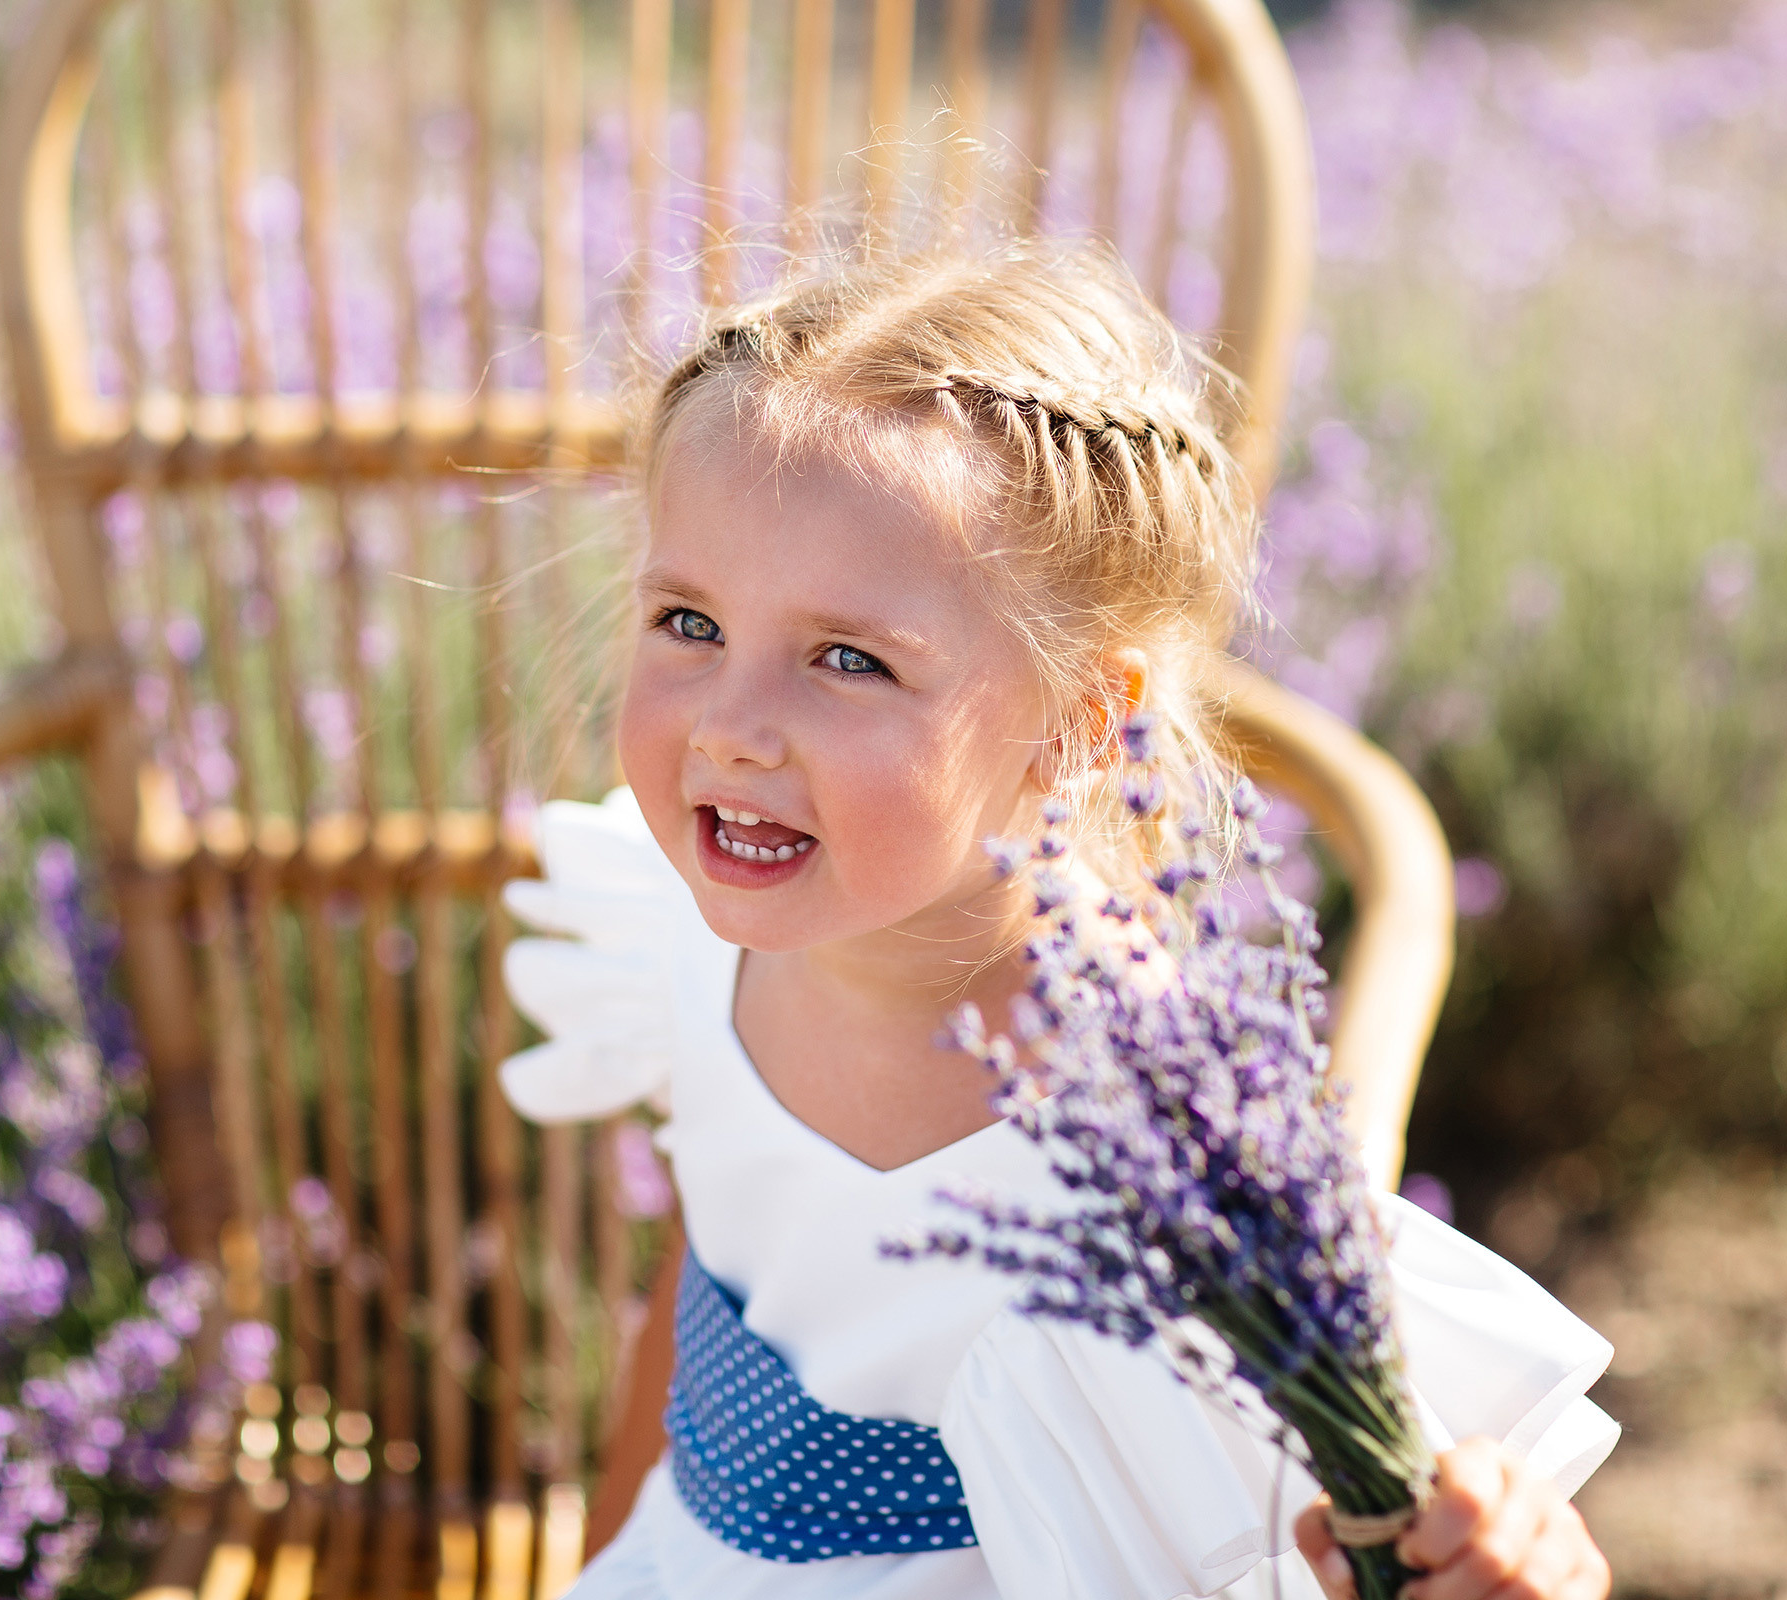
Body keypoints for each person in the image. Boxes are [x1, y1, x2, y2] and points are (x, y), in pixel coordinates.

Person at [498, 242, 1618, 1600]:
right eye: (689, 621)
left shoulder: (1154, 1166)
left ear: (1085, 726)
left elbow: (1347, 1535)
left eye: (849, 660)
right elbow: (703, 1312)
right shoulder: (706, 919)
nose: (731, 730)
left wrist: (1486, 1553)